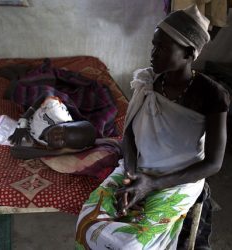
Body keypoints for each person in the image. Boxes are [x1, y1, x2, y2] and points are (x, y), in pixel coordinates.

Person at [75, 4, 230, 250]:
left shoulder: (212, 96)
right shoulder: (147, 83)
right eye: (154, 45)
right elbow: (129, 136)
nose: (153, 54)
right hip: (138, 168)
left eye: (162, 48)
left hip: (178, 179)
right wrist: (133, 175)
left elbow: (213, 163)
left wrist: (153, 184)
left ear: (189, 54)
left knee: (132, 244)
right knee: (88, 224)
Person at [8, 93, 97, 159]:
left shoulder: (51, 146)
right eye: (62, 130)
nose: (56, 136)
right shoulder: (56, 112)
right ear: (66, 122)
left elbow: (15, 151)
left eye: (62, 141)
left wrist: (56, 152)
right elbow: (46, 94)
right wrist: (24, 120)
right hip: (33, 107)